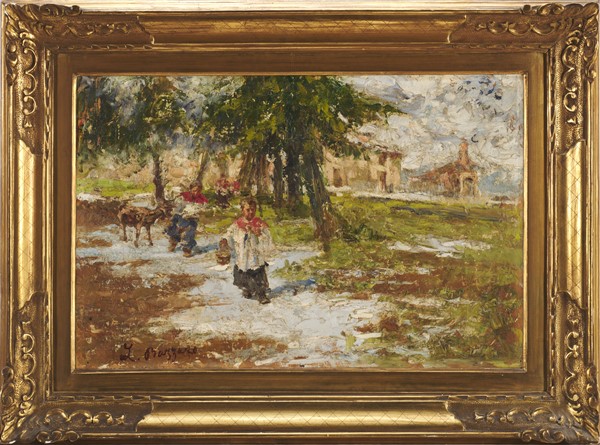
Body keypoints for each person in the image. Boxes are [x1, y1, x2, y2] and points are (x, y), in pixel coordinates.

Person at [221, 197, 273, 304]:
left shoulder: (259, 224)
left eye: (253, 209)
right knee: (243, 274)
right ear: (242, 210)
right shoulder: (237, 224)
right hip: (243, 256)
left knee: (257, 276)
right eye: (248, 210)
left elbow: (268, 237)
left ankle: (261, 295)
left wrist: (260, 234)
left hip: (255, 256)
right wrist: (225, 239)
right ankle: (247, 289)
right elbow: (229, 233)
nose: (250, 212)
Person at [165, 182, 208, 257]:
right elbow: (177, 207)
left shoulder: (202, 199)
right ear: (190, 189)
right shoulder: (184, 196)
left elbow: (203, 209)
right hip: (180, 216)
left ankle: (187, 249)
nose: (196, 193)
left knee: (189, 232)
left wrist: (197, 212)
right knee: (175, 228)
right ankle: (174, 242)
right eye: (194, 190)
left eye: (198, 191)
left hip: (192, 218)